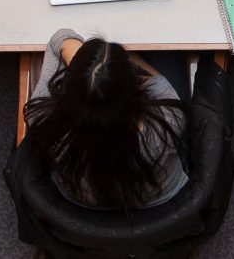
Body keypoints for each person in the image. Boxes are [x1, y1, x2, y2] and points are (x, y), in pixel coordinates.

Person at [23, 28, 189, 212]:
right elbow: (156, 81)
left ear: (69, 88)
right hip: (157, 199)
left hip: (80, 203)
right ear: (133, 89)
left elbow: (60, 39)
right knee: (173, 55)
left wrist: (90, 73)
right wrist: (123, 62)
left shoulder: (43, 120)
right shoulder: (167, 118)